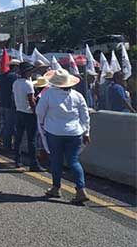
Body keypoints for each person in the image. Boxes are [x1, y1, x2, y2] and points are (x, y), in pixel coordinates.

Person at [37, 69, 91, 203]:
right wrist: (87, 132)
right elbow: (85, 116)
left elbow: (39, 112)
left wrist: (43, 126)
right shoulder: (78, 95)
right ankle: (80, 189)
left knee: (56, 160)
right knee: (73, 161)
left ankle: (56, 187)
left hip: (54, 132)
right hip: (74, 132)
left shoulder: (48, 94)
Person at [12, 62, 44, 172]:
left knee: (18, 137)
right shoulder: (28, 84)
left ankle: (17, 159)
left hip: (19, 111)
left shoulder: (16, 83)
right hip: (29, 113)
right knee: (32, 140)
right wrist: (36, 112)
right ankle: (33, 163)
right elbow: (31, 101)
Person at [0, 59, 20, 150]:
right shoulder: (15, 77)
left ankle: (4, 142)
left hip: (1, 104)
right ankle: (7, 145)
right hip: (10, 104)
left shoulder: (2, 76)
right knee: (10, 125)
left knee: (4, 124)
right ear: (16, 67)